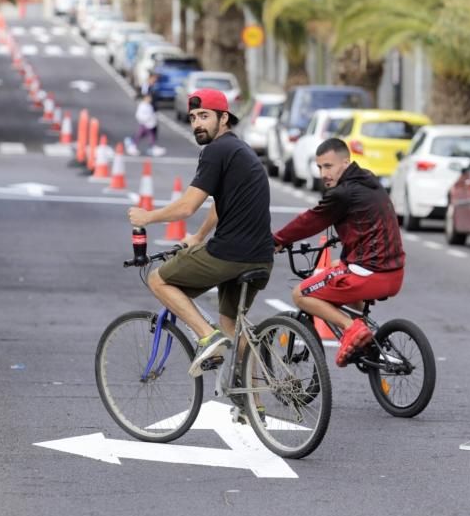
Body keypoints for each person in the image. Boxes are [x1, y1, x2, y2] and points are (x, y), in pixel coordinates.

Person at [128, 88, 274, 377]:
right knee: (231, 324)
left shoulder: (216, 151)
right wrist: (198, 237)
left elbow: (186, 207)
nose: (197, 124)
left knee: (158, 280)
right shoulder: (239, 150)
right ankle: (252, 402)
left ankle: (207, 337)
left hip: (230, 254)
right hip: (260, 258)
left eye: (205, 116)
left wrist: (147, 216)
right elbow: (220, 207)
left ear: (224, 118)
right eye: (193, 117)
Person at [272, 138, 405, 367]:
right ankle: (367, 340)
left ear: (346, 162)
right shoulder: (369, 181)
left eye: (328, 166)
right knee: (338, 267)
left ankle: (351, 328)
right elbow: (366, 223)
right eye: (320, 167)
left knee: (300, 294)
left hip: (369, 274)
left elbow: (311, 220)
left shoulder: (342, 193)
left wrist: (277, 240)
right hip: (394, 273)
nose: (323, 173)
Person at [127, 92, 165, 157]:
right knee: (149, 136)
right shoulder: (142, 105)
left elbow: (151, 114)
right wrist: (146, 119)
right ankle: (151, 147)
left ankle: (132, 144)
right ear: (145, 98)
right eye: (149, 97)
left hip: (149, 124)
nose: (150, 99)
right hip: (145, 124)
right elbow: (139, 115)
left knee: (141, 135)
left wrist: (153, 119)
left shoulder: (149, 105)